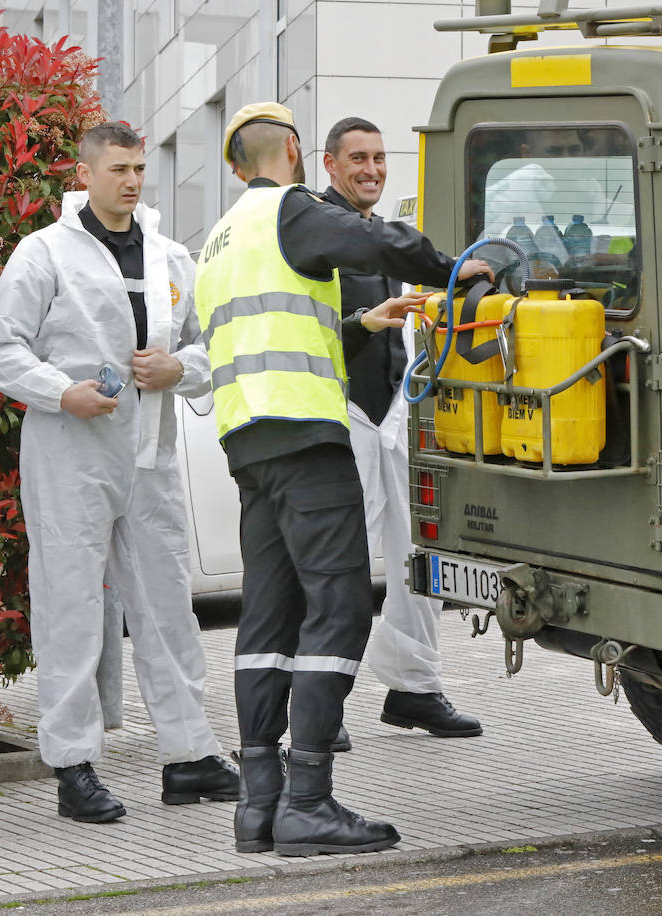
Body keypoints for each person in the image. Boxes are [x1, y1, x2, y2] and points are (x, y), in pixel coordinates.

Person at [195, 103, 491, 857]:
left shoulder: (219, 241)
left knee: (266, 622)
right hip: (307, 435)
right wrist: (460, 269)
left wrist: (364, 324)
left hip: (249, 445)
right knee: (342, 608)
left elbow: (282, 327)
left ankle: (259, 807)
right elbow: (372, 238)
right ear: (295, 152)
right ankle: (310, 801)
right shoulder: (291, 211)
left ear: (233, 165)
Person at [0, 122, 238, 824]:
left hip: (148, 454)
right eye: (118, 168)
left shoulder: (169, 256)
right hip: (71, 453)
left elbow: (209, 346)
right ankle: (73, 765)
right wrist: (62, 392)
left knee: (166, 605)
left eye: (139, 169)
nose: (131, 180)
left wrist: (180, 369)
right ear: (85, 173)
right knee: (69, 606)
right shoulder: (46, 255)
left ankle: (189, 755)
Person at [320, 117, 483, 747]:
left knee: (419, 556)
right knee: (339, 568)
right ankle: (320, 705)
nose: (371, 169)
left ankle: (415, 689)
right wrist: (365, 321)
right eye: (358, 158)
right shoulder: (319, 235)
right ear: (330, 165)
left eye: (379, 158)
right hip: (345, 415)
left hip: (394, 415)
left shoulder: (385, 235)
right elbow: (316, 331)